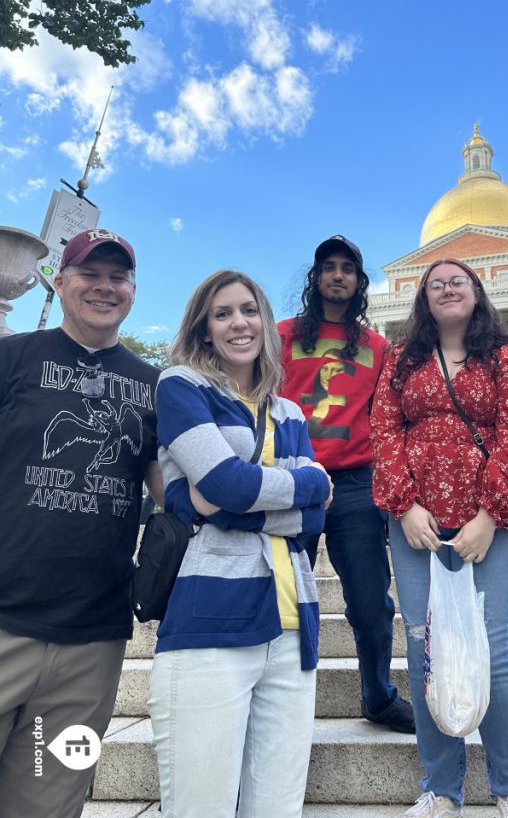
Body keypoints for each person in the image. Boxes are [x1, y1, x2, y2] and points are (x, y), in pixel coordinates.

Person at [148, 270, 332, 818]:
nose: (238, 323)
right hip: (211, 618)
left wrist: (229, 503)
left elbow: (314, 517)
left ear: (266, 323)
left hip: (293, 624)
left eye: (249, 310)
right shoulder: (181, 385)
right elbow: (227, 483)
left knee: (278, 809)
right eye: (222, 314)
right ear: (204, 329)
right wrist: (299, 486)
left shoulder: (289, 412)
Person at [371, 257, 508, 818]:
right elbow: (384, 430)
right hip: (416, 524)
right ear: (424, 297)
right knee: (424, 646)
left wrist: (491, 516)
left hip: (489, 521)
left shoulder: (506, 357)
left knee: (490, 648)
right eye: (436, 284)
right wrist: (404, 506)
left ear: (476, 292)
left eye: (458, 281)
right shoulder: (402, 358)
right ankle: (442, 788)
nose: (447, 289)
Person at [0, 227, 162, 818]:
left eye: (118, 277)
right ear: (60, 282)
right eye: (90, 274)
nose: (104, 287)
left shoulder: (154, 387)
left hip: (92, 645)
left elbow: (172, 490)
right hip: (5, 619)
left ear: (133, 290)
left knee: (50, 802)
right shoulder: (12, 358)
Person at [278, 235, 414, 733]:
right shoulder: (280, 336)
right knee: (281, 597)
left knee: (371, 601)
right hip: (292, 479)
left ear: (359, 282)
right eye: (329, 267)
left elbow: (388, 417)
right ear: (315, 277)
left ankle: (378, 696)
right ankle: (279, 704)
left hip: (356, 484)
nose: (338, 275)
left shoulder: (377, 347)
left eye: (347, 269)